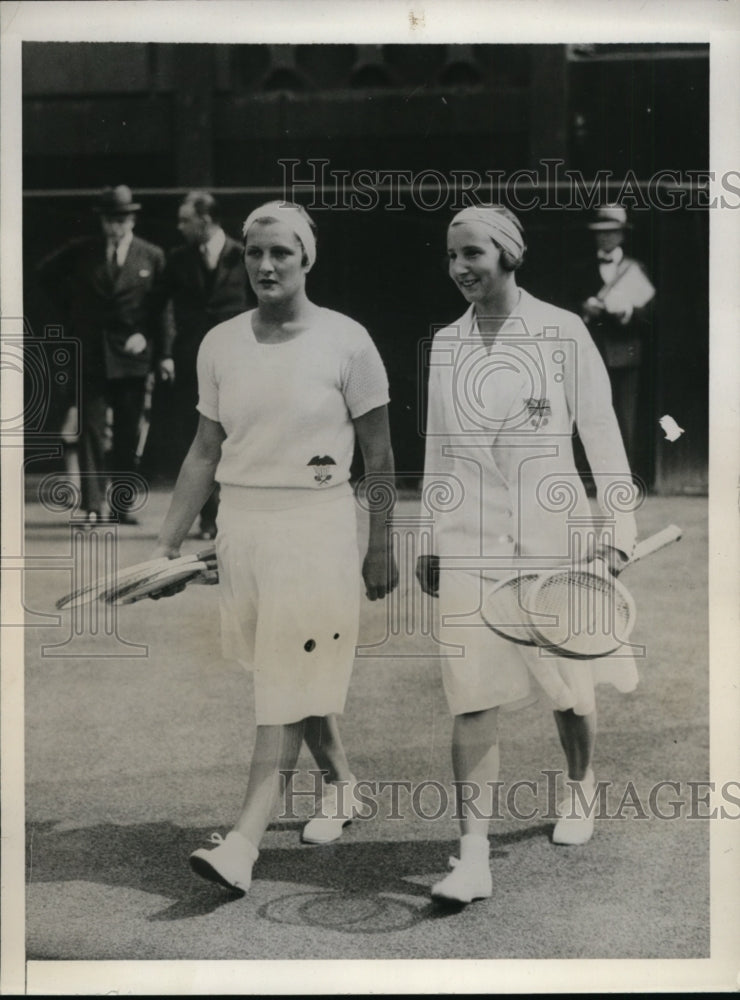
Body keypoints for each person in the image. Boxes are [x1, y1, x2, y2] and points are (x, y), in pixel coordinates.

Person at [150, 201, 398, 894]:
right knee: (286, 668)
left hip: (317, 527)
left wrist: (381, 546)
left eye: (280, 253)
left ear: (306, 259)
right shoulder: (220, 343)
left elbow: (379, 459)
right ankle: (344, 785)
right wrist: (166, 544)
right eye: (254, 253)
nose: (264, 265)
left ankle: (244, 841)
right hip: (244, 530)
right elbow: (205, 452)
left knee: (281, 680)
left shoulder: (348, 341)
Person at [416, 205, 639, 906]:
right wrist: (428, 535)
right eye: (452, 256)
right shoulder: (447, 344)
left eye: (473, 254)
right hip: (472, 544)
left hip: (554, 535)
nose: (460, 269)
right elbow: (439, 452)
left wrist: (618, 526)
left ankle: (579, 786)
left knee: (571, 691)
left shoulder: (562, 330)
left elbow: (601, 432)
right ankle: (473, 857)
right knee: (472, 694)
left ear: (509, 254)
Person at [37, 185, 169, 526]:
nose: (115, 226)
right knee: (91, 432)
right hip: (92, 354)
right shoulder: (83, 252)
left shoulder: (151, 255)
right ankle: (93, 505)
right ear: (102, 221)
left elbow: (162, 309)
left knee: (127, 432)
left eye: (121, 219)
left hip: (132, 357)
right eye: (109, 220)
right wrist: (73, 318)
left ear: (132, 219)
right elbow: (44, 277)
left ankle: (122, 506)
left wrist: (155, 343)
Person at [159, 190, 252, 539]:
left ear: (207, 219)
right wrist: (166, 352)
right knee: (202, 439)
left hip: (240, 361)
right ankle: (210, 520)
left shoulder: (243, 256)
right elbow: (162, 308)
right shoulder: (177, 259)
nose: (180, 226)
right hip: (193, 363)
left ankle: (238, 515)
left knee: (238, 436)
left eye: (186, 219)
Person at [574, 205, 655, 473]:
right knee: (592, 413)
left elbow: (651, 313)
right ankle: (592, 474)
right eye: (600, 233)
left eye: (611, 233)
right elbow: (568, 309)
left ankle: (624, 475)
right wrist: (586, 310)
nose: (605, 238)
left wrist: (628, 312)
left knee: (625, 416)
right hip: (592, 351)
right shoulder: (583, 268)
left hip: (626, 351)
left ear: (622, 235)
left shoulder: (636, 268)